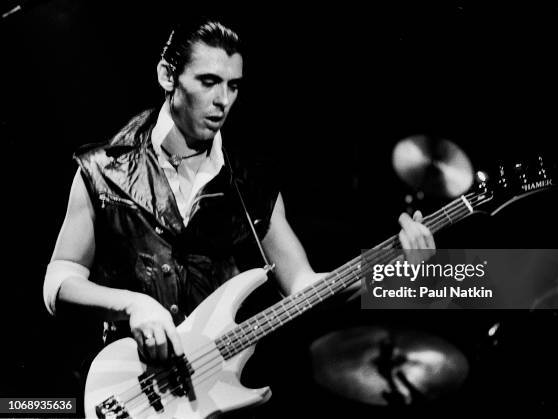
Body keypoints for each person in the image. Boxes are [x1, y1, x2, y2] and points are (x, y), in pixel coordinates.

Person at [43, 18, 434, 369]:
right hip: (125, 389)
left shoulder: (251, 183)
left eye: (233, 86)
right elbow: (58, 281)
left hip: (210, 396)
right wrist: (132, 305)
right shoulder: (102, 169)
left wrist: (396, 273)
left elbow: (303, 286)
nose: (223, 101)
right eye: (209, 81)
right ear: (167, 76)